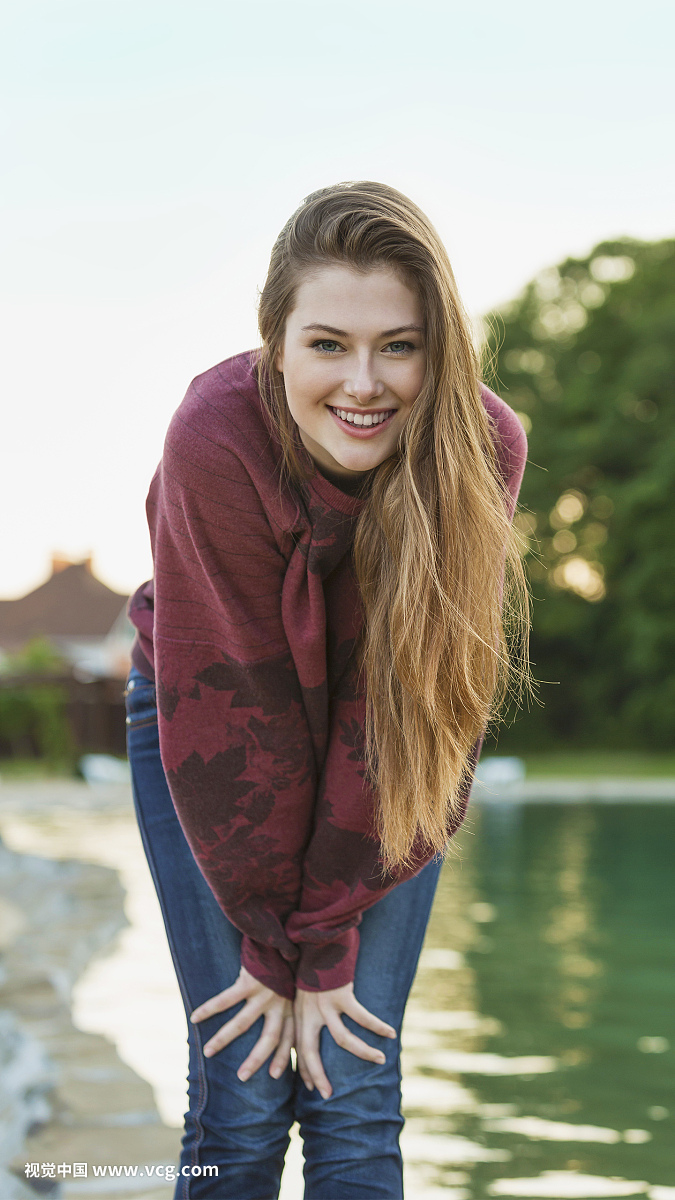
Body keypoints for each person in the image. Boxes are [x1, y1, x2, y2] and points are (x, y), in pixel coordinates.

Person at [125, 180, 531, 1200]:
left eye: (400, 344)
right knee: (246, 1086)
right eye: (327, 345)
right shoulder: (215, 435)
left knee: (352, 1084)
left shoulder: (481, 448)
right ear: (275, 343)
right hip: (206, 715)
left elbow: (415, 706)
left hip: (394, 739)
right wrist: (274, 947)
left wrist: (330, 944)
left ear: (439, 348)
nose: (366, 382)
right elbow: (241, 713)